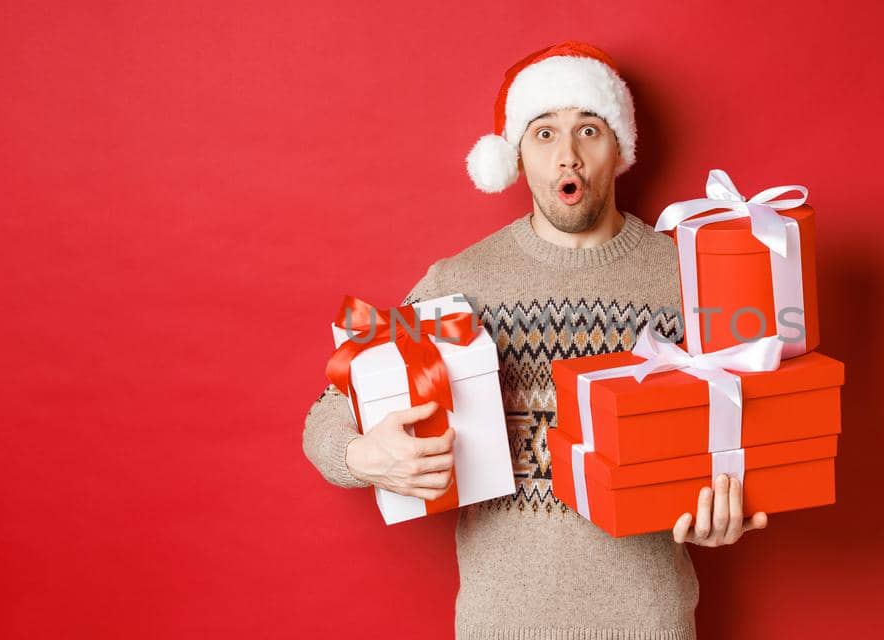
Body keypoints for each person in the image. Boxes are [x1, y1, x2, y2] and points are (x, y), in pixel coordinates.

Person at [302, 40, 767, 639]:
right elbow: (325, 416)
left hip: (648, 623)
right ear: (517, 154)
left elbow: (751, 431)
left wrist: (728, 507)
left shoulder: (687, 276)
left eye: (589, 130)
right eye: (544, 133)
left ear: (619, 147)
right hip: (501, 626)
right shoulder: (460, 284)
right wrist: (364, 457)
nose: (567, 157)